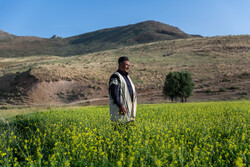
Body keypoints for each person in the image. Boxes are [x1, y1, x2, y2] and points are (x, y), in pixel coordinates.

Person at [109, 56, 137, 124]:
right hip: (120, 111)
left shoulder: (127, 77)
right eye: (126, 65)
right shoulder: (116, 76)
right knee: (119, 130)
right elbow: (114, 93)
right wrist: (120, 106)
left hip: (129, 112)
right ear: (120, 65)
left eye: (129, 65)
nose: (128, 67)